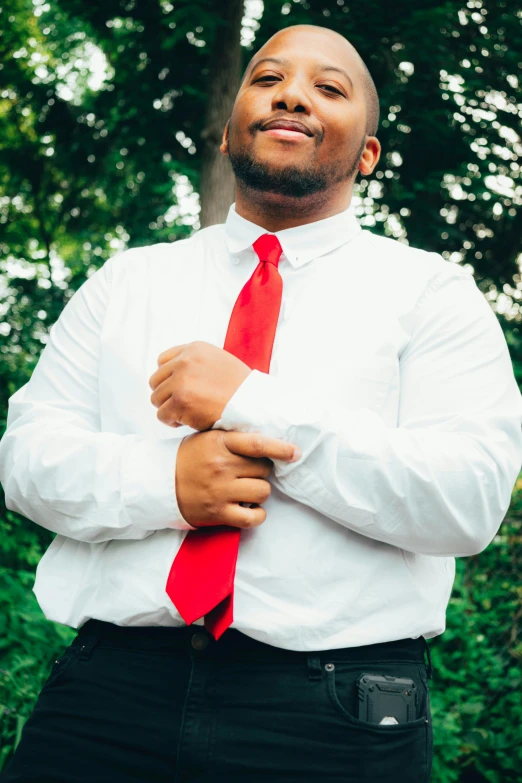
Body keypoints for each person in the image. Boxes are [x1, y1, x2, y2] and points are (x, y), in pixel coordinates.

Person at [0, 22, 521, 783]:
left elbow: (466, 500)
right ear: (227, 131)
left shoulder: (432, 295)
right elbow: (27, 459)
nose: (293, 94)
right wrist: (166, 484)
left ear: (367, 153)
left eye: (329, 87)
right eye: (268, 77)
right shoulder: (127, 282)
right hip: (105, 697)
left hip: (337, 715)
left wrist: (252, 402)